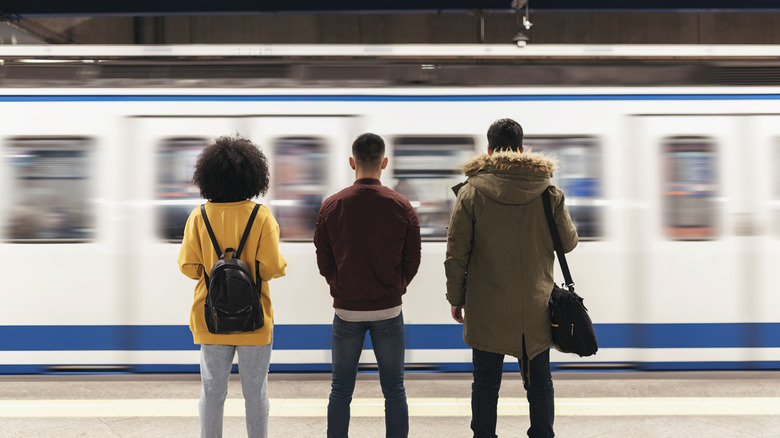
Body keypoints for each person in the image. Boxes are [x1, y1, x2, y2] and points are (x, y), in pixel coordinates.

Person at [444, 119, 578, 438]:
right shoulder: (548, 191)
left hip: (487, 306)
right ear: (521, 149)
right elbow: (568, 243)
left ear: (489, 151)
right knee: (539, 382)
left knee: (486, 384)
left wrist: (456, 298)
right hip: (536, 306)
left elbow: (455, 254)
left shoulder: (471, 193)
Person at [178, 135, 287, 438]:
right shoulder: (261, 216)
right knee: (256, 395)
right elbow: (271, 269)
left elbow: (188, 268)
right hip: (255, 320)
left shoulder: (198, 217)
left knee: (212, 392)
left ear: (208, 176)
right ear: (253, 176)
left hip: (211, 319)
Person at [314, 133, 422, 438]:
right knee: (394, 390)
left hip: (346, 313)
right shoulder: (402, 205)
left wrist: (339, 286)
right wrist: (396, 287)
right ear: (384, 163)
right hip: (389, 311)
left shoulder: (332, 206)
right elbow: (412, 259)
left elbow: (324, 260)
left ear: (352, 162)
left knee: (340, 389)